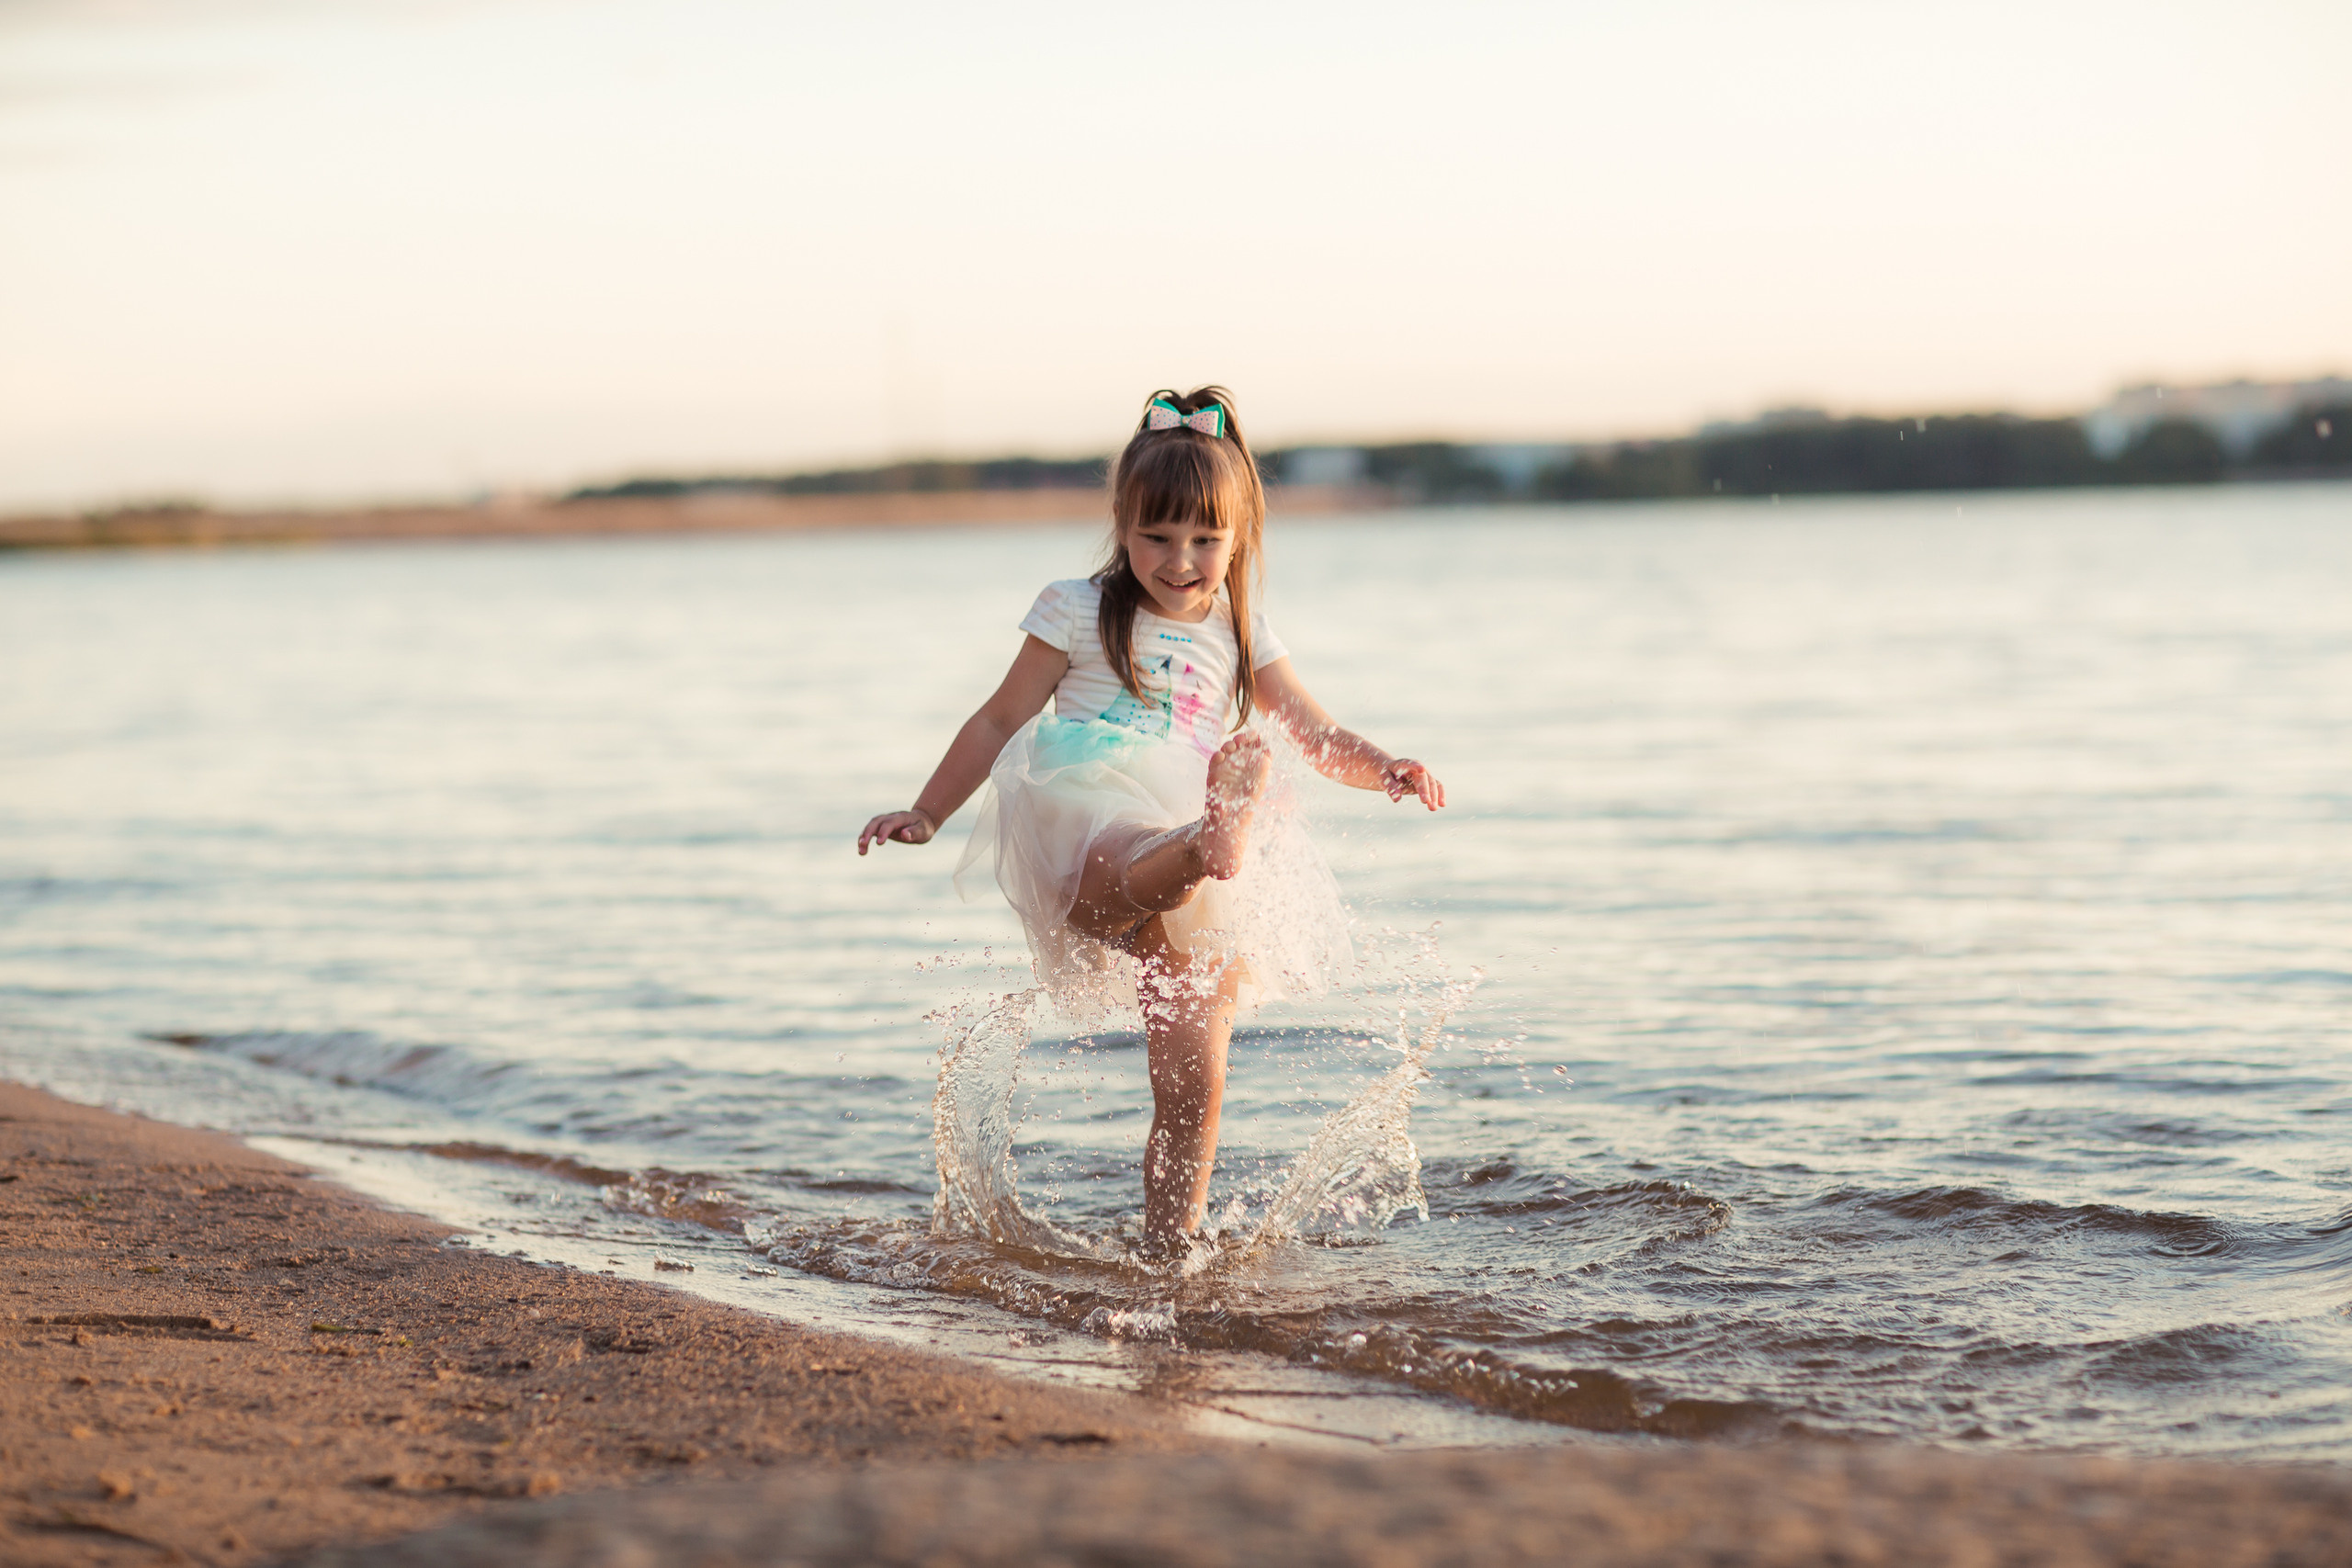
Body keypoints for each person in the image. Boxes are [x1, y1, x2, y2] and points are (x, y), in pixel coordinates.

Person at [857, 386, 1444, 1247]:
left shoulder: (1242, 631)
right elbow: (997, 719)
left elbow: (1315, 734)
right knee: (1124, 868)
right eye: (1157, 536)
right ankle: (1204, 842)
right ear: (1122, 525)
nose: (1180, 560)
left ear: (1239, 536)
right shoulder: (1075, 609)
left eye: (1206, 539)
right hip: (1087, 809)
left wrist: (1384, 766)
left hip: (1200, 834)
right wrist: (928, 810)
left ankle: (1174, 1250)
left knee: (1194, 1084)